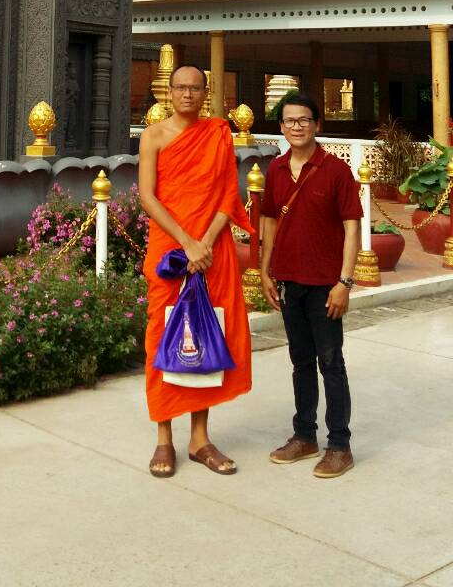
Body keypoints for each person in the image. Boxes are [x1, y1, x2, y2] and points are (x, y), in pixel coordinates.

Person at [139, 65, 254, 479]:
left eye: (195, 88)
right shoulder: (153, 136)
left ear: (205, 93)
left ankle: (200, 439)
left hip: (212, 249)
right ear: (169, 92)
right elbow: (148, 197)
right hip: (170, 249)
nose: (187, 94)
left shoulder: (218, 134)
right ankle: (164, 437)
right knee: (163, 333)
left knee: (208, 331)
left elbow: (228, 195)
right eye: (180, 87)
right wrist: (187, 242)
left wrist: (204, 242)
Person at [260, 93, 362, 479]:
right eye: (289, 121)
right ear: (281, 127)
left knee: (331, 363)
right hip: (289, 280)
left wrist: (344, 282)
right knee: (300, 362)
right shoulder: (276, 169)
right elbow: (269, 221)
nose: (297, 127)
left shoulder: (336, 170)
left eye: (304, 120)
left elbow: (352, 228)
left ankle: (340, 445)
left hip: (325, 284)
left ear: (317, 124)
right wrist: (265, 270)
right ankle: (305, 436)